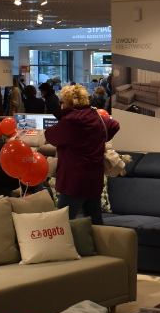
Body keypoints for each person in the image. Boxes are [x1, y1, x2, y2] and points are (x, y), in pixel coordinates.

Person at [45, 83, 120, 225]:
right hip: (94, 180)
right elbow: (114, 125)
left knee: (61, 225)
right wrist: (101, 138)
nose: (61, 104)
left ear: (69, 102)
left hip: (73, 182)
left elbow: (50, 136)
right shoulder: (96, 116)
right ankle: (97, 241)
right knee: (95, 224)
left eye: (62, 102)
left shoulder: (69, 121)